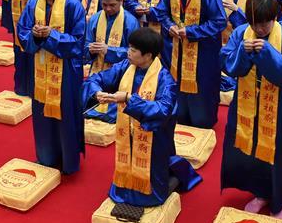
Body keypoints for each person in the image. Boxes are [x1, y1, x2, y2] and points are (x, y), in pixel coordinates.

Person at [84, 27, 202, 207]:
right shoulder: (126, 66)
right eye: (129, 48)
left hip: (153, 136)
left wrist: (128, 99)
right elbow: (97, 79)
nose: (128, 52)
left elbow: (162, 110)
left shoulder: (165, 79)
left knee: (152, 181)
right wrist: (97, 92)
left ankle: (169, 179)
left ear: (148, 56)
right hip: (127, 131)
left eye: (133, 50)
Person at [220, 0, 282, 218]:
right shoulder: (240, 33)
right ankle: (260, 193)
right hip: (246, 102)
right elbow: (229, 66)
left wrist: (268, 53)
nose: (260, 29)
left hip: (279, 104)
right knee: (251, 146)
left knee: (279, 150)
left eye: (265, 23)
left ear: (274, 18)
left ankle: (279, 199)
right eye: (255, 23)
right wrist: (242, 53)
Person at [16, 0, 86, 174]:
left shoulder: (72, 5)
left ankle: (68, 162)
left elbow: (78, 42)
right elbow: (22, 31)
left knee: (65, 114)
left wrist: (51, 36)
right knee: (41, 114)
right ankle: (46, 156)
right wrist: (35, 36)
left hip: (65, 72)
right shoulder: (33, 3)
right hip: (40, 68)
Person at [153, 0, 226, 129]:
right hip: (177, 49)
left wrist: (192, 31)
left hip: (203, 53)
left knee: (202, 90)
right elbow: (161, 12)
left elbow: (219, 21)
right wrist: (169, 25)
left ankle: (202, 123)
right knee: (177, 86)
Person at [84, 0, 140, 123]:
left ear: (121, 0)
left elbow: (134, 52)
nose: (108, 9)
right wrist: (90, 50)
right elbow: (85, 45)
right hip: (97, 72)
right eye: (104, 5)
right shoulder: (95, 18)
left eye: (112, 5)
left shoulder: (131, 22)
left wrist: (108, 51)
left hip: (120, 74)